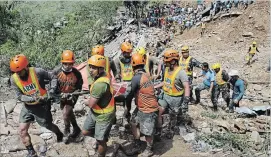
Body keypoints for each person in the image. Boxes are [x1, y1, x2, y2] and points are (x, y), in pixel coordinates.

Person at [10, 54, 63, 157]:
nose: (19, 74)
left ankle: (59, 133)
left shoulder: (37, 72)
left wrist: (51, 92)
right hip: (27, 106)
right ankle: (31, 153)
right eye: (16, 72)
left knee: (47, 125)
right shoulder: (14, 79)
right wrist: (31, 98)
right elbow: (19, 96)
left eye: (20, 71)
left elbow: (53, 77)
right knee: (22, 130)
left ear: (26, 67)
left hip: (41, 106)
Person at [122, 53, 159, 156]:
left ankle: (149, 149)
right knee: (134, 122)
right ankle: (137, 144)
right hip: (142, 107)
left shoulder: (136, 78)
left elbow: (128, 96)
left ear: (133, 65)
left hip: (148, 108)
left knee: (147, 131)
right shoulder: (146, 74)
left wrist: (127, 110)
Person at [82, 55, 116, 157]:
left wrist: (85, 101)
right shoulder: (101, 76)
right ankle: (102, 138)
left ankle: (101, 148)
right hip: (95, 112)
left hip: (103, 115)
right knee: (85, 131)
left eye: (94, 68)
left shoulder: (100, 85)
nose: (90, 70)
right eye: (90, 67)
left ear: (100, 69)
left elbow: (91, 104)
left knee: (100, 140)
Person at [154, 49, 190, 137]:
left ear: (173, 61)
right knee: (158, 111)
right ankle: (158, 130)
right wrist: (155, 87)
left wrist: (186, 101)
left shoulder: (181, 73)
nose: (165, 63)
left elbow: (186, 87)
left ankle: (171, 130)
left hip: (176, 100)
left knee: (173, 116)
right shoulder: (166, 69)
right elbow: (166, 82)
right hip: (165, 96)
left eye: (167, 61)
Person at [52, 50, 83, 143]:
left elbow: (79, 87)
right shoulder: (56, 72)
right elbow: (52, 86)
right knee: (69, 113)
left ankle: (67, 131)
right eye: (65, 63)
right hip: (60, 96)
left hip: (71, 96)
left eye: (70, 64)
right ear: (62, 62)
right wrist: (59, 94)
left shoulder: (77, 73)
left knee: (66, 114)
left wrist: (72, 96)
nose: (68, 66)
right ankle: (76, 128)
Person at [113, 42, 134, 125]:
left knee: (128, 101)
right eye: (127, 53)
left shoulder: (133, 59)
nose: (128, 54)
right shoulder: (117, 61)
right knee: (113, 99)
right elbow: (117, 73)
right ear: (122, 52)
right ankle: (113, 117)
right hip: (122, 84)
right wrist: (118, 82)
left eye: (129, 53)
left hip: (132, 83)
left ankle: (126, 116)